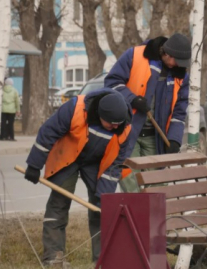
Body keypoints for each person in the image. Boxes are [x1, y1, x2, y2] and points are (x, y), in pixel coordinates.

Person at [24, 89, 132, 266]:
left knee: (101, 207)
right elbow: (48, 132)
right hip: (68, 156)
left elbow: (116, 163)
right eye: (111, 123)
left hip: (97, 163)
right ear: (99, 114)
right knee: (59, 203)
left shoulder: (125, 127)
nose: (115, 127)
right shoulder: (75, 108)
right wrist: (34, 164)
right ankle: (53, 257)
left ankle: (102, 260)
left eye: (117, 124)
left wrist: (103, 194)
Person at [104, 33, 190, 159]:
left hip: (155, 138)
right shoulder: (134, 56)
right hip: (128, 131)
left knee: (152, 178)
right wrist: (133, 99)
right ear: (167, 53)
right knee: (130, 176)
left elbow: (179, 113)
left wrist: (174, 139)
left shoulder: (181, 77)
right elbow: (112, 83)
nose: (178, 65)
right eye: (177, 61)